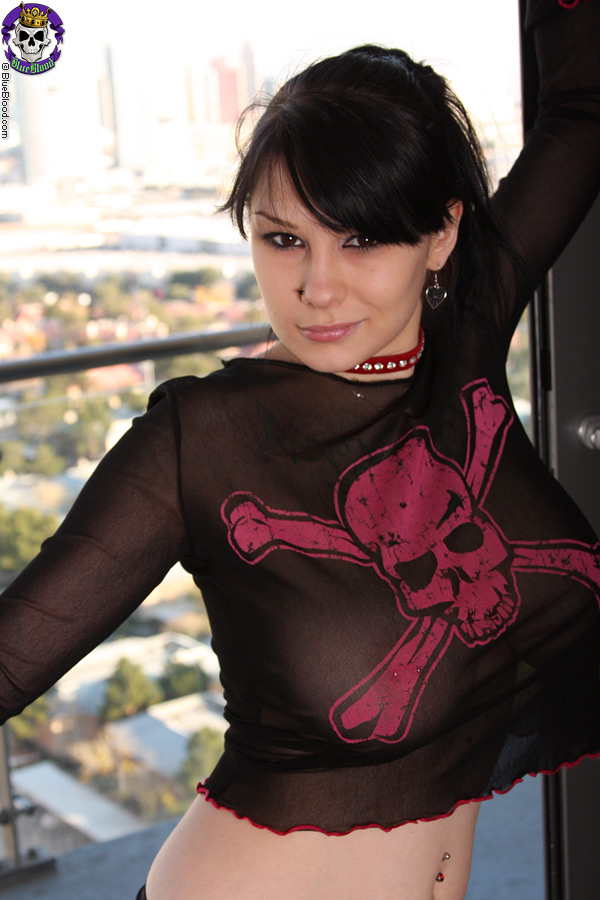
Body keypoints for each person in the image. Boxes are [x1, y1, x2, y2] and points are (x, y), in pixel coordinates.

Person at [2, 1, 600, 898]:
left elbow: (582, 109)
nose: (317, 287)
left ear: (441, 233)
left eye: (361, 237)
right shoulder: (201, 439)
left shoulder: (465, 344)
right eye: (284, 239)